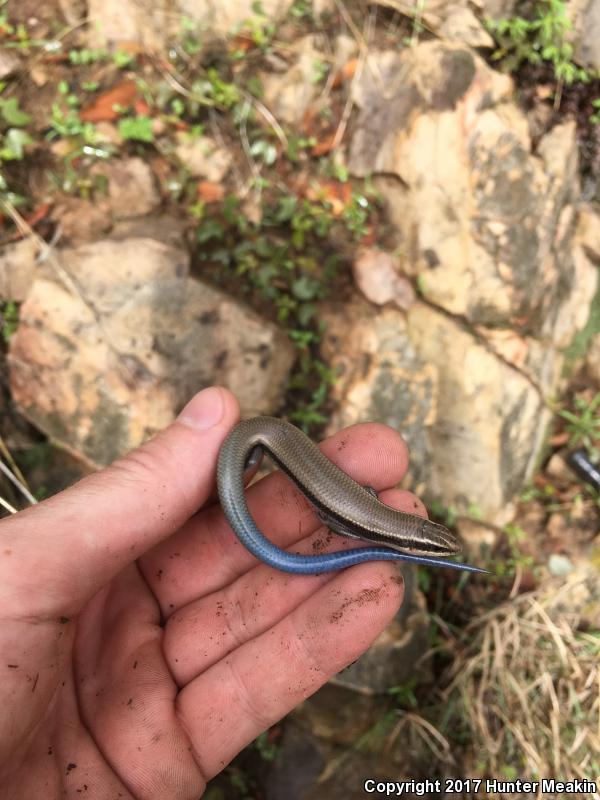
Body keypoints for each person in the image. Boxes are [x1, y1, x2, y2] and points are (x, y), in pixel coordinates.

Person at [0, 386, 424, 798]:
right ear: (411, 544)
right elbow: (343, 520)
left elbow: (350, 514)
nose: (427, 548)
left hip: (265, 443)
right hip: (259, 443)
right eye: (428, 546)